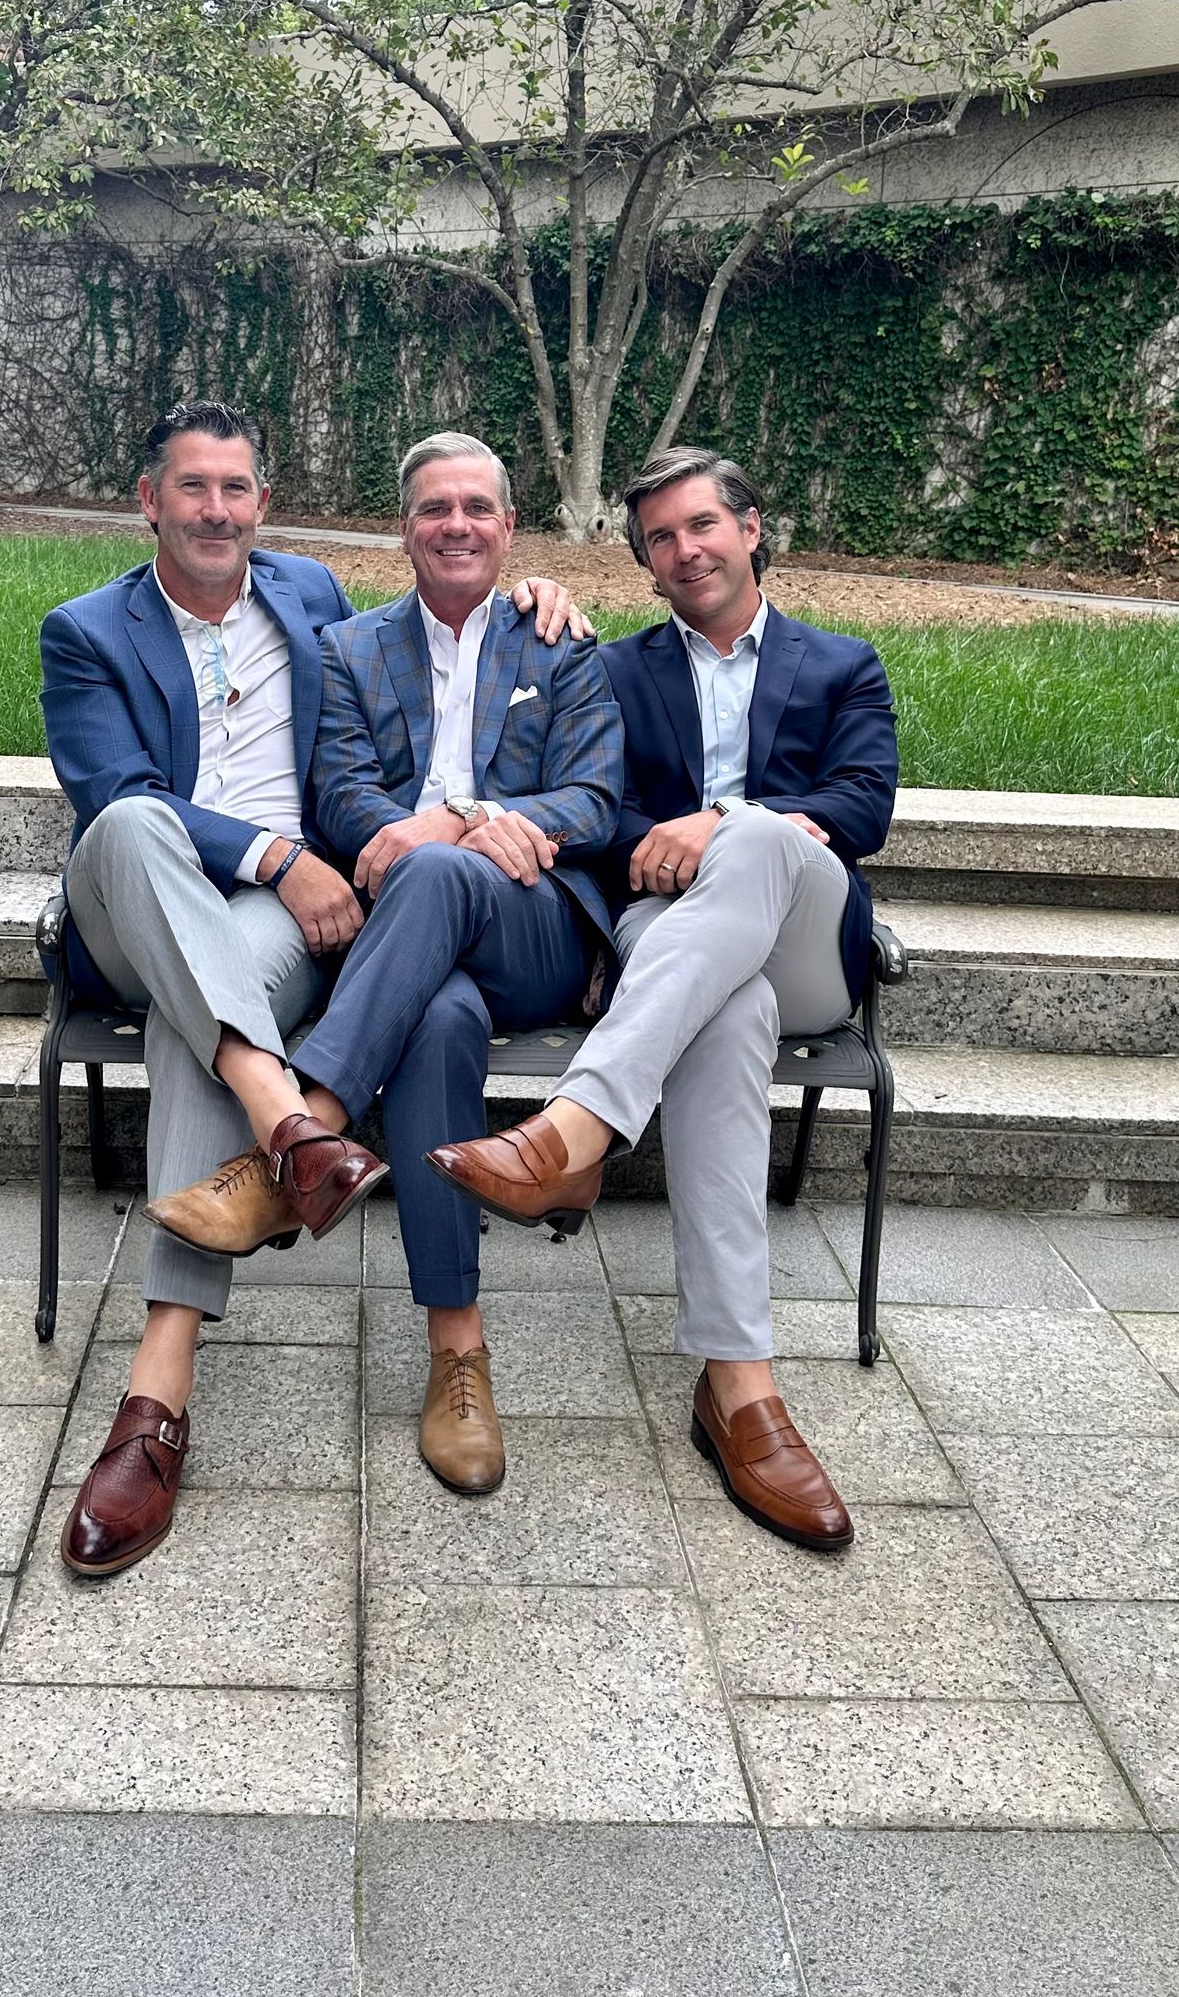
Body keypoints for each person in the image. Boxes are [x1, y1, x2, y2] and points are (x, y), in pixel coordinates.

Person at [41, 401, 583, 1577]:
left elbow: (448, 609)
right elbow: (114, 796)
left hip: (277, 932)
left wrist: (535, 591)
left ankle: (159, 1396)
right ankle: (289, 1122)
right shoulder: (84, 631)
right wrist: (280, 856)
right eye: (194, 487)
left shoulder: (311, 598)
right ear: (150, 501)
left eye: (236, 488)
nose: (216, 510)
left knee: (235, 1014)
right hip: (145, 901)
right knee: (134, 825)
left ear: (264, 502)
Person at [430, 445, 898, 1551]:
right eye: (660, 539)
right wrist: (669, 837)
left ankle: (577, 1128)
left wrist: (726, 822)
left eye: (702, 526)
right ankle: (740, 1390)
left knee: (763, 840)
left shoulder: (843, 665)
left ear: (750, 529)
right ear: (644, 562)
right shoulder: (619, 669)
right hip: (668, 929)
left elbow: (861, 805)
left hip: (806, 938)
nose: (685, 550)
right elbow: (601, 808)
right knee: (725, 1015)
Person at [152, 432, 623, 1498]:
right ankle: (458, 1349)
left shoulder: (562, 645)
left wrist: (459, 821)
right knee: (438, 1018)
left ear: (510, 527)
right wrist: (414, 839)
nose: (457, 526)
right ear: (402, 529)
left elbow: (594, 798)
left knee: (440, 870)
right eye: (434, 509)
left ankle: (304, 1136)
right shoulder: (350, 648)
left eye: (477, 508)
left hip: (534, 925)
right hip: (411, 949)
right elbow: (340, 791)